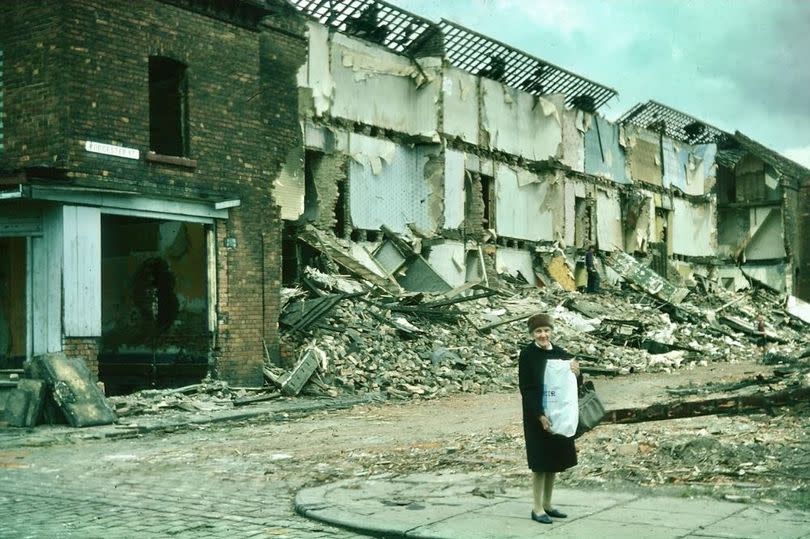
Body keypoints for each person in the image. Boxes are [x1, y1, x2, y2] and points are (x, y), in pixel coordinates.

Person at [518, 313, 580, 525]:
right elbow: (526, 389)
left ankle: (548, 504)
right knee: (540, 463)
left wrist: (576, 372)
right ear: (532, 334)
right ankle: (537, 508)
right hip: (537, 415)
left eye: (546, 330)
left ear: (551, 331)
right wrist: (539, 415)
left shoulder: (561, 353)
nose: (543, 335)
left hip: (558, 415)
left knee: (554, 461)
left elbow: (573, 383)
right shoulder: (527, 355)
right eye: (538, 331)